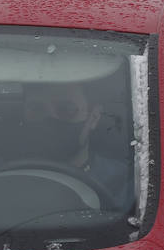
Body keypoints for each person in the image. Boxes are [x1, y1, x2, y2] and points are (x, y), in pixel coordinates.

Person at [21, 78, 131, 206]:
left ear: (94, 117)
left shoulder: (123, 182)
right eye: (36, 109)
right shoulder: (2, 175)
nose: (50, 120)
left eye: (67, 109)